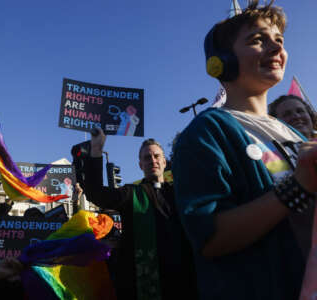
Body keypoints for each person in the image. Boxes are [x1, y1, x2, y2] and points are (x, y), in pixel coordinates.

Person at [173, 1, 317, 299]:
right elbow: (210, 237)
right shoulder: (206, 132)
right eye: (257, 40)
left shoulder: (290, 132)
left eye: (279, 40)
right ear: (221, 61)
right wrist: (298, 187)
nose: (276, 48)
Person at [82, 128, 198, 300]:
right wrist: (96, 149)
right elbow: (95, 192)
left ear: (165, 162)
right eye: (147, 157)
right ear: (140, 165)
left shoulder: (180, 193)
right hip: (142, 284)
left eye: (157, 156)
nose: (153, 161)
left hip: (183, 281)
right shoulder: (131, 194)